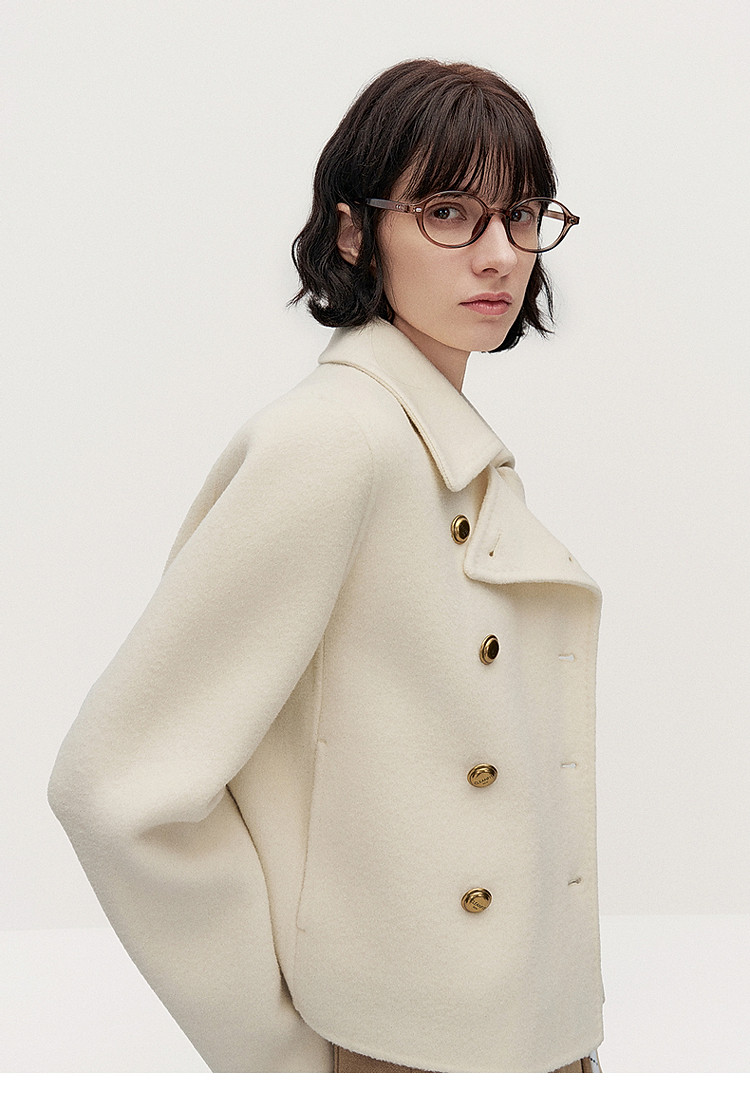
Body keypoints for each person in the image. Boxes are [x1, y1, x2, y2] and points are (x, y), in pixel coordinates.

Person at [48, 58, 604, 1073]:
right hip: (399, 1054)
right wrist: (286, 1064)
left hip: (519, 1040)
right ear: (354, 232)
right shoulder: (336, 442)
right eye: (449, 212)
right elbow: (117, 785)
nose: (498, 255)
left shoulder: (433, 446)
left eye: (521, 215)